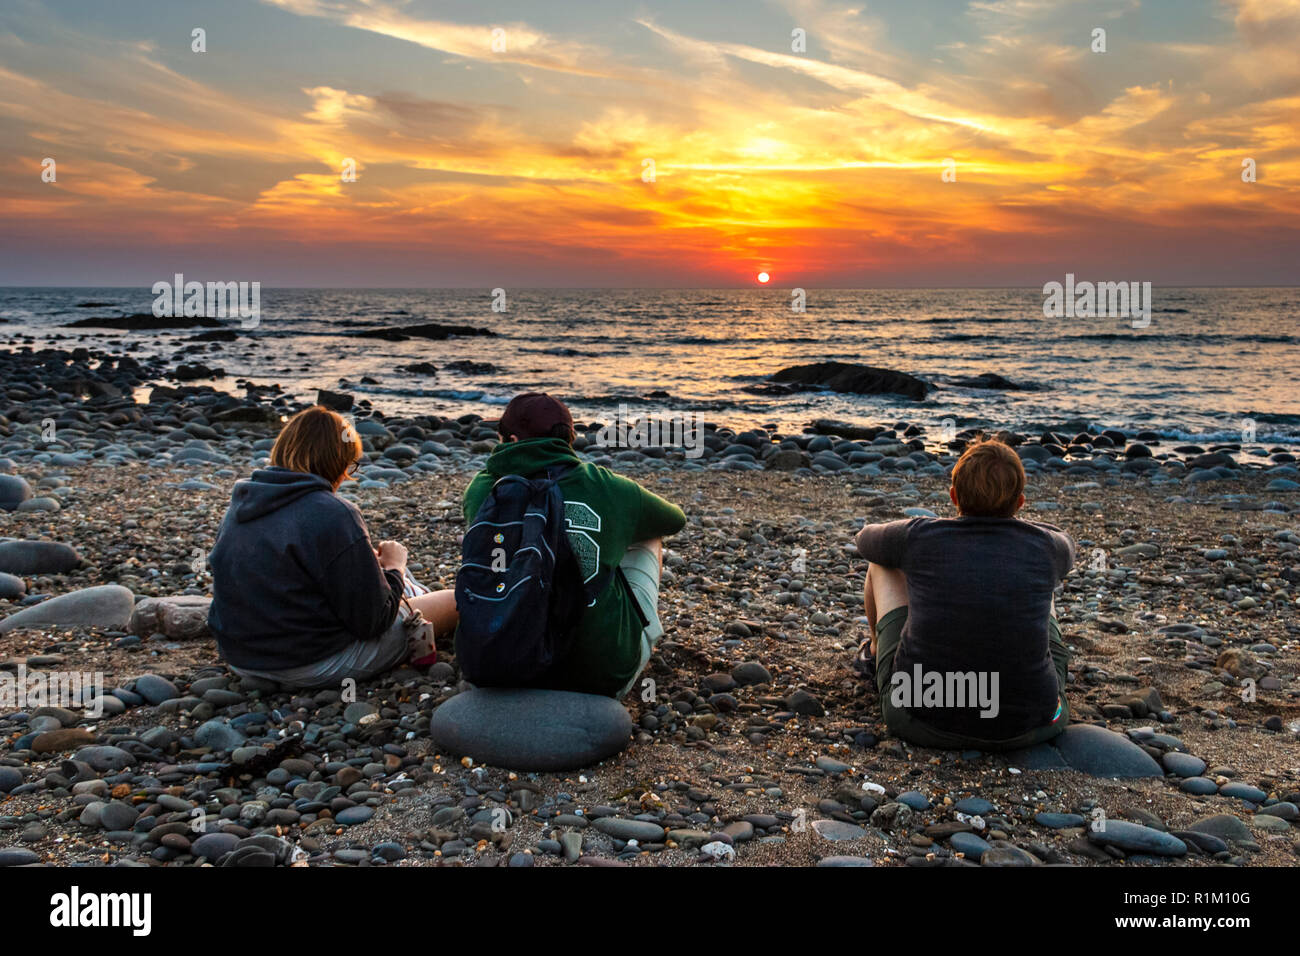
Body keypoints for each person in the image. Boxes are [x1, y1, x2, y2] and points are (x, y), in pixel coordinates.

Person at [208, 406, 457, 688]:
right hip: (310, 663)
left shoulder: (242, 503)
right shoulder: (333, 512)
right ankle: (420, 609)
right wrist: (397, 567)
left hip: (242, 659)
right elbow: (373, 622)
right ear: (336, 462)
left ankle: (410, 594)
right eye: (349, 466)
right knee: (455, 600)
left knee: (384, 574)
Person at [459, 393, 686, 698]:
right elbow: (674, 520)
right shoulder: (607, 485)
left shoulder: (485, 489)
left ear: (510, 440)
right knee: (649, 535)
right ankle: (620, 635)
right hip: (599, 681)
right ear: (568, 441)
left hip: (499, 670)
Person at [854, 438, 1075, 749]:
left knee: (881, 565)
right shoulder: (1045, 546)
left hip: (919, 719)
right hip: (1032, 724)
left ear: (953, 496)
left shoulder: (920, 536)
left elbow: (865, 539)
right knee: (1038, 581)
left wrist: (920, 528)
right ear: (1021, 503)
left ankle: (876, 653)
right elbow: (1063, 539)